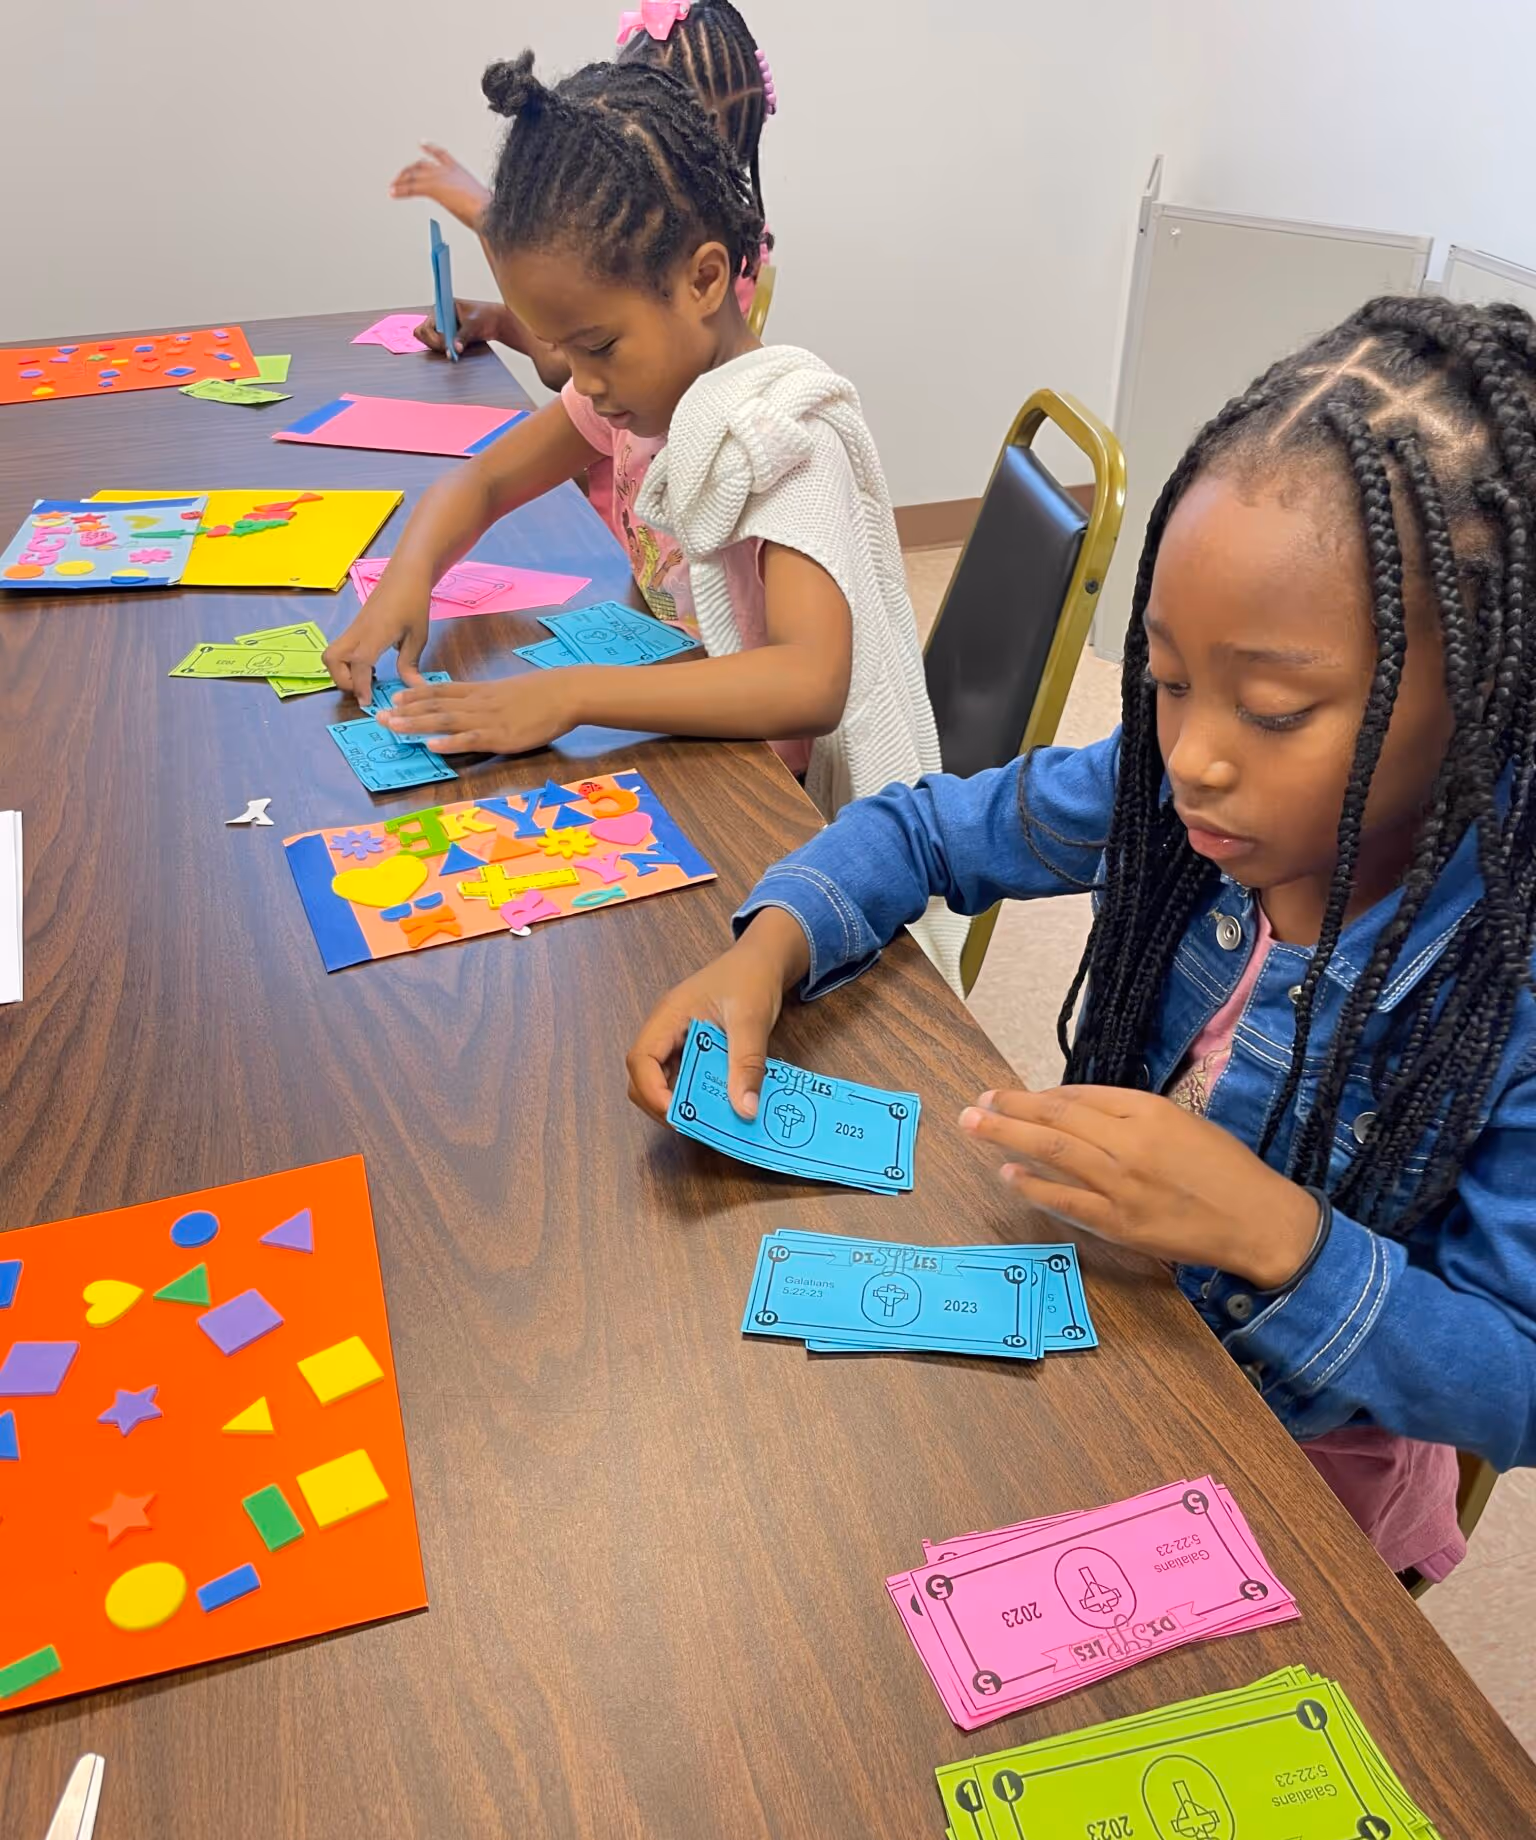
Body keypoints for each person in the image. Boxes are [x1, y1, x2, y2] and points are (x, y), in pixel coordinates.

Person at [627, 296, 1536, 1581]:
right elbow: (928, 832)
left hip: (1304, 1474)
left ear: (1487, 698)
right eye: (1164, 679)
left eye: (1274, 708)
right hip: (1099, 1320)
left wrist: (1277, 1235)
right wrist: (765, 946)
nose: (1194, 756)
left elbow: (1518, 1375)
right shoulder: (1170, 797)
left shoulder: (1508, 967)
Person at [328, 52, 953, 972]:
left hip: (781, 818)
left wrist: (568, 694)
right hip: (696, 755)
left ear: (704, 281)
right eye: (563, 352)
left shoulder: (783, 438)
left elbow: (808, 683)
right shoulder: (641, 392)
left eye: (598, 346)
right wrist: (408, 580)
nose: (583, 384)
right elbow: (483, 482)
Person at [391, 0, 776, 383]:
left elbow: (562, 369)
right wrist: (496, 321)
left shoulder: (703, 261)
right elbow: (580, 348)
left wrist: (486, 217)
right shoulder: (705, 242)